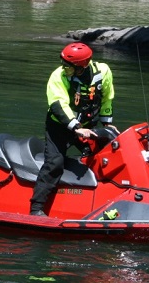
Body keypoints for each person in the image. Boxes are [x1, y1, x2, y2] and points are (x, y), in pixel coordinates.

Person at [30, 42, 115, 216]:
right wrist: (75, 127)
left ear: (82, 66)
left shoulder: (103, 71)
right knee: (54, 163)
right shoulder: (58, 76)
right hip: (60, 127)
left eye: (68, 66)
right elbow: (58, 104)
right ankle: (36, 208)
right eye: (63, 64)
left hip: (87, 127)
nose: (63, 68)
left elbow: (107, 97)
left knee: (103, 157)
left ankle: (104, 200)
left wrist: (107, 124)